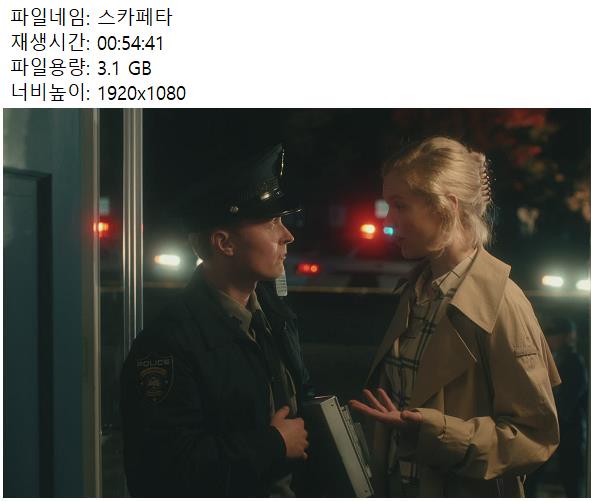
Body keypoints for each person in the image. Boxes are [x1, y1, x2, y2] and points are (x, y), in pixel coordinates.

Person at [349, 137, 562, 497]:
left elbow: (534, 437)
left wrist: (434, 433)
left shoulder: (502, 302)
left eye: (400, 206)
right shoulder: (416, 292)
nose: (387, 220)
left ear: (446, 207)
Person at [120, 144, 314, 497]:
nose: (287, 235)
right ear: (224, 243)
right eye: (271, 222)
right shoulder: (169, 342)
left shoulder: (275, 317)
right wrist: (271, 444)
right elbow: (164, 468)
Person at [526, 317, 587, 497]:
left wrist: (551, 418)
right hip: (555, 426)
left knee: (571, 480)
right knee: (535, 476)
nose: (550, 338)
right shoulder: (555, 359)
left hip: (567, 429)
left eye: (554, 334)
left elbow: (568, 398)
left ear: (567, 336)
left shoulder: (573, 362)